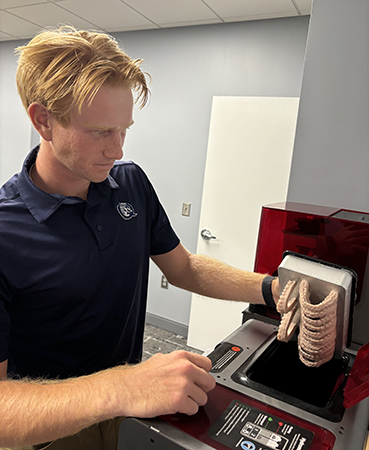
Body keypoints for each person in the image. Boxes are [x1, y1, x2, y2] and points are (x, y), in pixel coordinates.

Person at [0, 26, 279, 449]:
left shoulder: (129, 183)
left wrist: (271, 288)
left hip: (128, 410)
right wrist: (122, 387)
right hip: (47, 431)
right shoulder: (5, 230)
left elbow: (184, 267)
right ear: (43, 120)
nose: (118, 150)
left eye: (123, 129)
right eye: (100, 132)